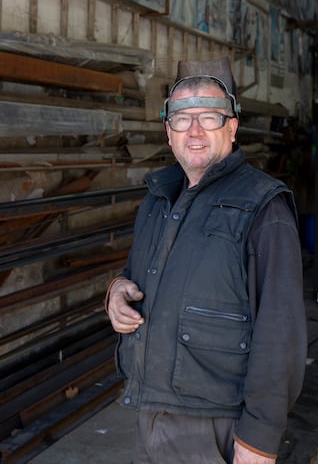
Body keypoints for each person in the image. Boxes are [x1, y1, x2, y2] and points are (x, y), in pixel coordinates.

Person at [106, 57, 307, 464]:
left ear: (231, 128)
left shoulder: (264, 208)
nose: (194, 130)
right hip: (149, 408)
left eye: (210, 117)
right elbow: (138, 276)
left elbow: (280, 331)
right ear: (168, 131)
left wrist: (259, 440)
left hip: (215, 424)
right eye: (182, 118)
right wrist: (115, 292)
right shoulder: (158, 199)